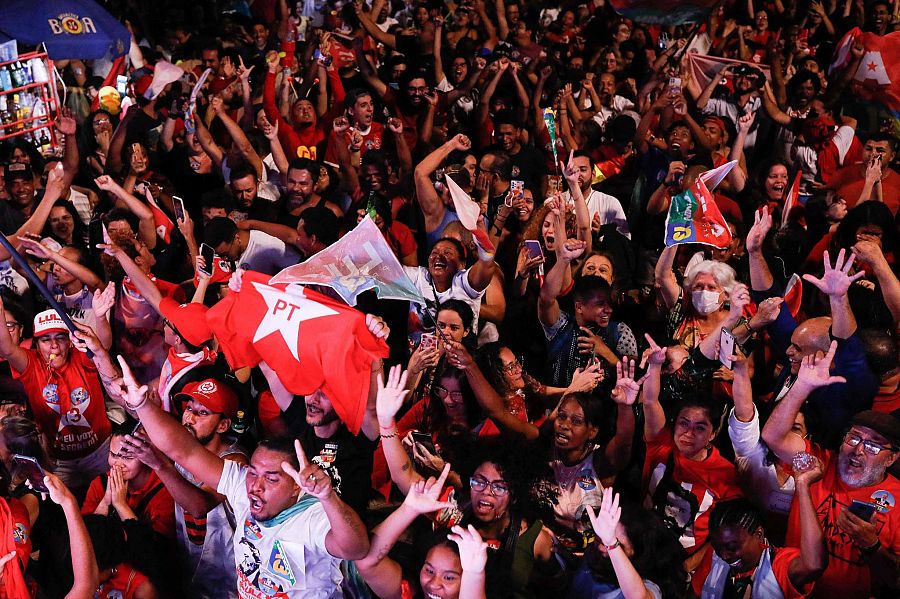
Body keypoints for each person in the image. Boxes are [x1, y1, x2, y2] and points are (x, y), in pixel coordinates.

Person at [109, 356, 370, 598]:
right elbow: (183, 450)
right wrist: (141, 405)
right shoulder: (242, 486)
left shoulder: (310, 516)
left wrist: (328, 497)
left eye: (272, 478)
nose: (256, 485)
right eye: (254, 472)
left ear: (295, 488)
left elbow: (356, 549)